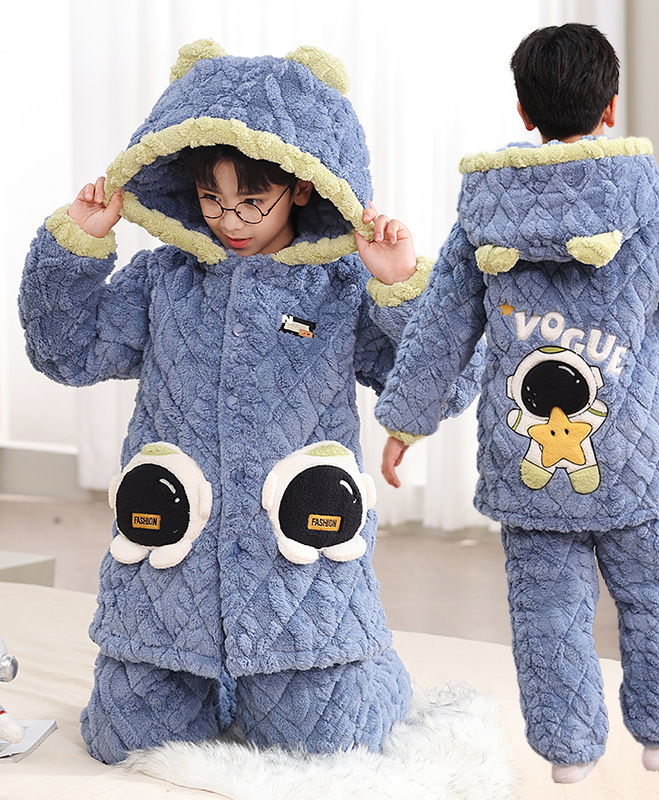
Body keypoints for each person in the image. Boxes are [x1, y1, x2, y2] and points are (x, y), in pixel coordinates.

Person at [18, 39, 481, 765]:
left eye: (251, 203)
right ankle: (208, 680)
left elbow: (443, 388)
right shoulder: (163, 280)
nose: (230, 221)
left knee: (330, 741)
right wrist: (77, 244)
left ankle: (366, 669)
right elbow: (65, 353)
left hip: (296, 581)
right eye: (213, 200)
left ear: (301, 188)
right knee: (123, 740)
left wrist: (398, 286)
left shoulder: (338, 290)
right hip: (170, 579)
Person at [374, 23, 659, 784]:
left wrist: (406, 423)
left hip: (530, 472)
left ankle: (568, 754)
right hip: (639, 467)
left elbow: (440, 328)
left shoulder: (484, 212)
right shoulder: (643, 200)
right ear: (611, 107)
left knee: (547, 614)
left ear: (524, 112)